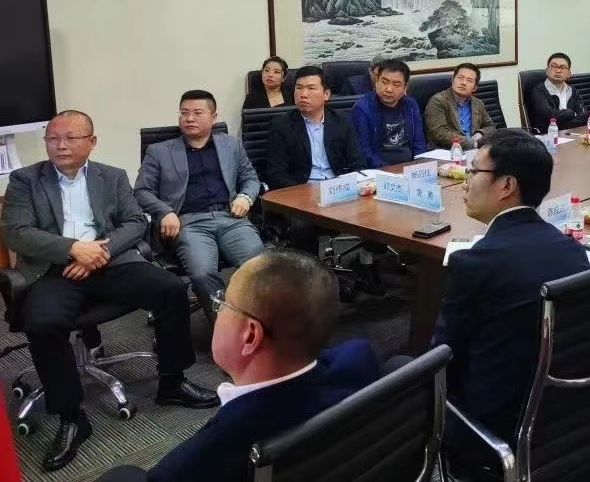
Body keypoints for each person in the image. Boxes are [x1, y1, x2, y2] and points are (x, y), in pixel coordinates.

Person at [1, 111, 217, 473]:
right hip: (55, 270)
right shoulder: (25, 180)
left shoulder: (112, 176)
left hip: (110, 261)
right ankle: (71, 416)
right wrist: (74, 249)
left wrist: (97, 254)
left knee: (170, 288)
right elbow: (18, 233)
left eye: (70, 138)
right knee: (43, 322)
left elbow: (134, 222)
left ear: (92, 142)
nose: (61, 145)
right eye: (53, 138)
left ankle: (172, 382)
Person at [94, 252, 380, 482]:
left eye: (222, 304)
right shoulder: (359, 359)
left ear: (250, 336)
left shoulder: (221, 443)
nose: (217, 310)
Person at [432, 129, 589, 465]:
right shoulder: (572, 250)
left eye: (474, 171)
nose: (465, 181)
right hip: (564, 416)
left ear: (506, 185)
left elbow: (441, 359)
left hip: (495, 431)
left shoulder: (475, 262)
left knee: (398, 367)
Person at [135, 90, 265, 325]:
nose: (189, 118)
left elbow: (250, 178)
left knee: (260, 267)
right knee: (203, 274)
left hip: (230, 217)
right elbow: (142, 191)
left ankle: (261, 322)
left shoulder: (231, 144)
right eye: (184, 113)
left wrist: (245, 197)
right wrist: (165, 212)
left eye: (197, 113)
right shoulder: (159, 151)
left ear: (214, 117)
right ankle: (226, 328)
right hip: (188, 222)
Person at [266, 66, 364, 256]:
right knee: (303, 225)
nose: (303, 94)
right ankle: (310, 271)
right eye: (299, 88)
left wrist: (344, 187)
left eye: (311, 88)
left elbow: (358, 164)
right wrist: (310, 194)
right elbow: (276, 175)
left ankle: (368, 263)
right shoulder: (281, 125)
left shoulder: (341, 121)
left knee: (375, 209)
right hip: (301, 196)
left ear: (326, 94)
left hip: (338, 191)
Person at [350, 58, 427, 167]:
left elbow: (419, 143)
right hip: (380, 170)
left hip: (411, 167)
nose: (389, 89)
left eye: (396, 85)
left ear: (405, 87)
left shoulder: (410, 104)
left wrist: (420, 165)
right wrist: (389, 171)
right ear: (376, 82)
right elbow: (364, 151)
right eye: (384, 82)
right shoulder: (362, 108)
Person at [424, 62, 496, 150]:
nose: (463, 83)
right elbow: (439, 133)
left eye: (469, 80)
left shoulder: (477, 103)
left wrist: (480, 133)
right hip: (447, 151)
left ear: (474, 88)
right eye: (460, 78)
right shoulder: (438, 101)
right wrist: (472, 143)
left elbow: (490, 126)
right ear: (452, 80)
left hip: (472, 150)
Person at [528, 52, 588, 131]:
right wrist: (571, 113)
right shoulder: (538, 91)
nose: (558, 70)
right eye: (554, 66)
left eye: (563, 67)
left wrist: (564, 124)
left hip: (571, 133)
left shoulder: (573, 91)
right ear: (547, 71)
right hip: (547, 135)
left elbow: (583, 116)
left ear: (569, 74)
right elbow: (548, 116)